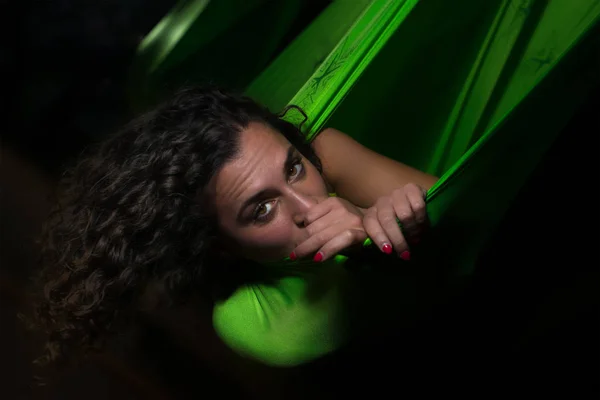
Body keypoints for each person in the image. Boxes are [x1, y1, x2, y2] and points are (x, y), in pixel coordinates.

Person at [31, 85, 438, 368]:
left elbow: (484, 217)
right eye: (260, 210)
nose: (308, 203)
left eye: (294, 167)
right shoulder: (248, 320)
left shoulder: (326, 155)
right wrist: (367, 243)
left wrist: (411, 223)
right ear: (219, 244)